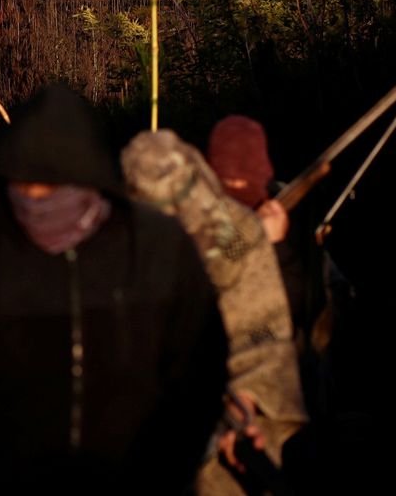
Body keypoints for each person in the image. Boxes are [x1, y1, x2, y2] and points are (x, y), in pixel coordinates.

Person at [0, 85, 227, 493]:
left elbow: (200, 369)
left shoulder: (153, 247)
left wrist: (169, 470)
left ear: (90, 180)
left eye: (53, 190)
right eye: (24, 188)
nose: (38, 204)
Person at [122, 128, 307, 495]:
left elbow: (263, 331)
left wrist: (246, 401)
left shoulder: (238, 234)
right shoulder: (112, 245)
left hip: (233, 430)